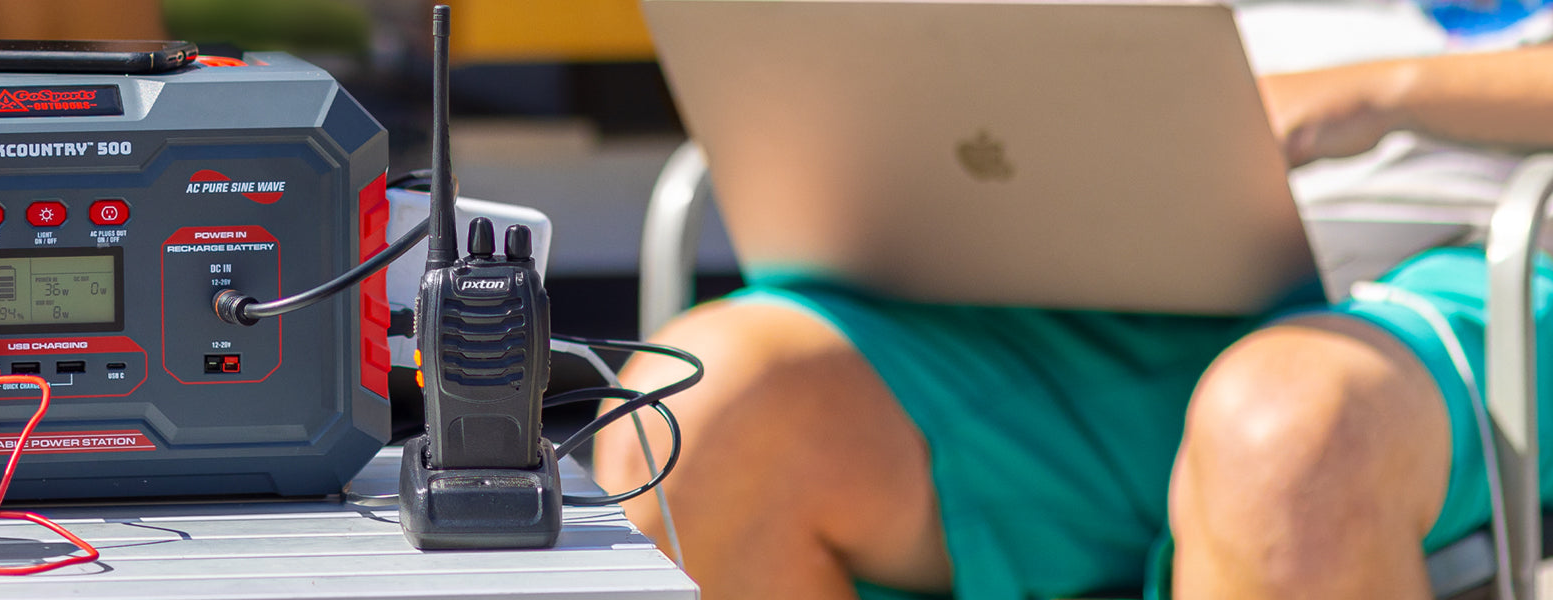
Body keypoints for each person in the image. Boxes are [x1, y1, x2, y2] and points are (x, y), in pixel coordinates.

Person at [593, 5, 1553, 599]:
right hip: (1101, 247)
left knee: (1290, 431)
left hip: (1473, 255)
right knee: (695, 420)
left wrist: (1381, 91)